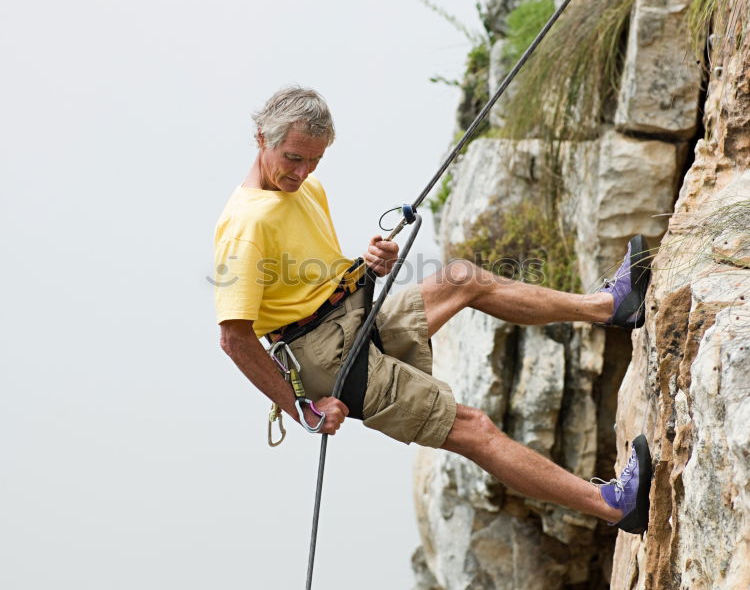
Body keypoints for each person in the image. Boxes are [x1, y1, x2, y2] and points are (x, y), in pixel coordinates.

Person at [213, 87, 652, 534]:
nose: (302, 173)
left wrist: (368, 265)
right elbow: (234, 338)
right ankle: (615, 506)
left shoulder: (308, 190)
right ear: (260, 138)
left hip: (351, 318)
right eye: (293, 159)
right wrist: (302, 410)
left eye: (314, 161)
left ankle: (610, 307)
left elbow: (307, 280)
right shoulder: (245, 226)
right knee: (473, 427)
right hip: (323, 357)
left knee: (462, 279)